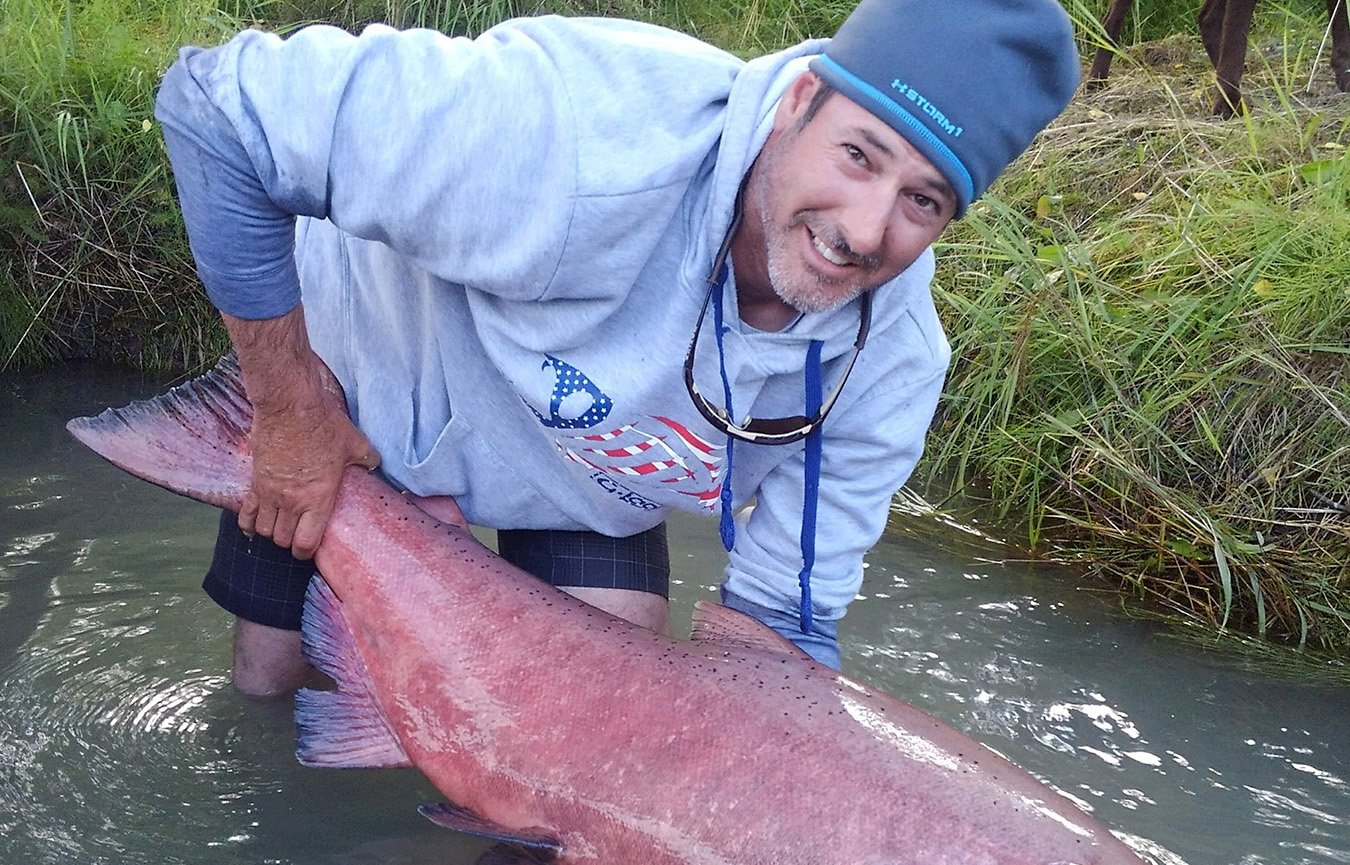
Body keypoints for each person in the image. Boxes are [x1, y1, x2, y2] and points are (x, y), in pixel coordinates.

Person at [154, 0, 1080, 694]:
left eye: (924, 201)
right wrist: (287, 408)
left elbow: (777, 630)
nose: (866, 229)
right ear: (800, 100)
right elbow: (219, 111)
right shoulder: (574, 135)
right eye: (859, 156)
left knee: (602, 724)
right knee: (274, 693)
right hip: (360, 401)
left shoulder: (892, 361)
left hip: (588, 478)